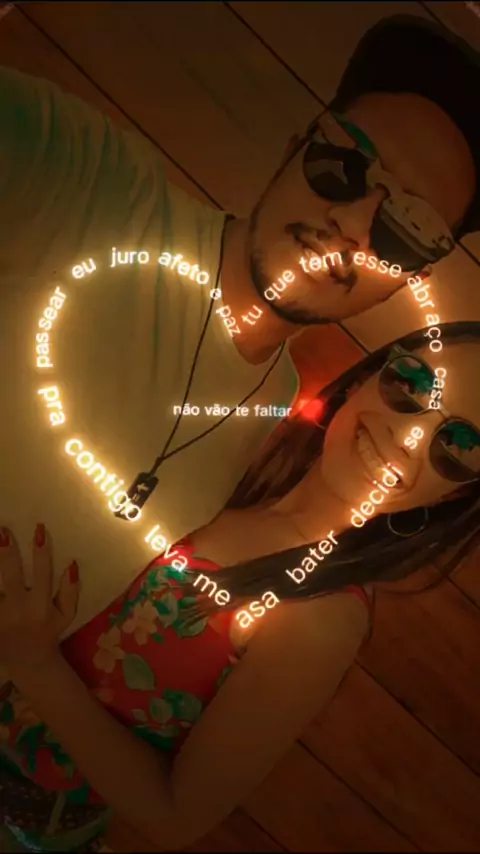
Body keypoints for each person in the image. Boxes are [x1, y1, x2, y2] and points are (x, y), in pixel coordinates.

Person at [0, 14, 479, 644]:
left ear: (409, 276)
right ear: (293, 147)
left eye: (410, 228)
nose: (354, 224)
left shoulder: (269, 412)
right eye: (347, 160)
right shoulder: (89, 182)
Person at [1, 320, 479, 852]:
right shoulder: (234, 459)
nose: (409, 439)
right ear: (366, 377)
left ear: (453, 497)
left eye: (460, 444)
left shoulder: (322, 615)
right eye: (413, 384)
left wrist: (36, 666)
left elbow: (174, 815)